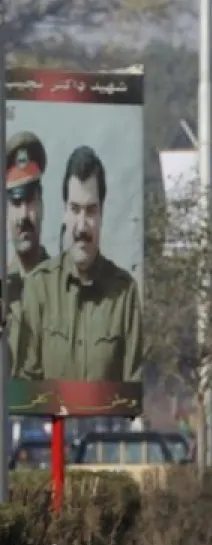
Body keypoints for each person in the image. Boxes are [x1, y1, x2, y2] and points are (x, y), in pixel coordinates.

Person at [12, 144, 142, 383]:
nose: (81, 226)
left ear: (102, 214)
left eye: (91, 211)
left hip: (105, 421)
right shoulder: (39, 288)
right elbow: (25, 388)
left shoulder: (125, 294)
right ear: (64, 212)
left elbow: (133, 388)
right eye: (75, 209)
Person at [4, 131, 50, 325]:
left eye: (30, 200)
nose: (24, 214)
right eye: (16, 202)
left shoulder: (62, 288)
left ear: (41, 205)